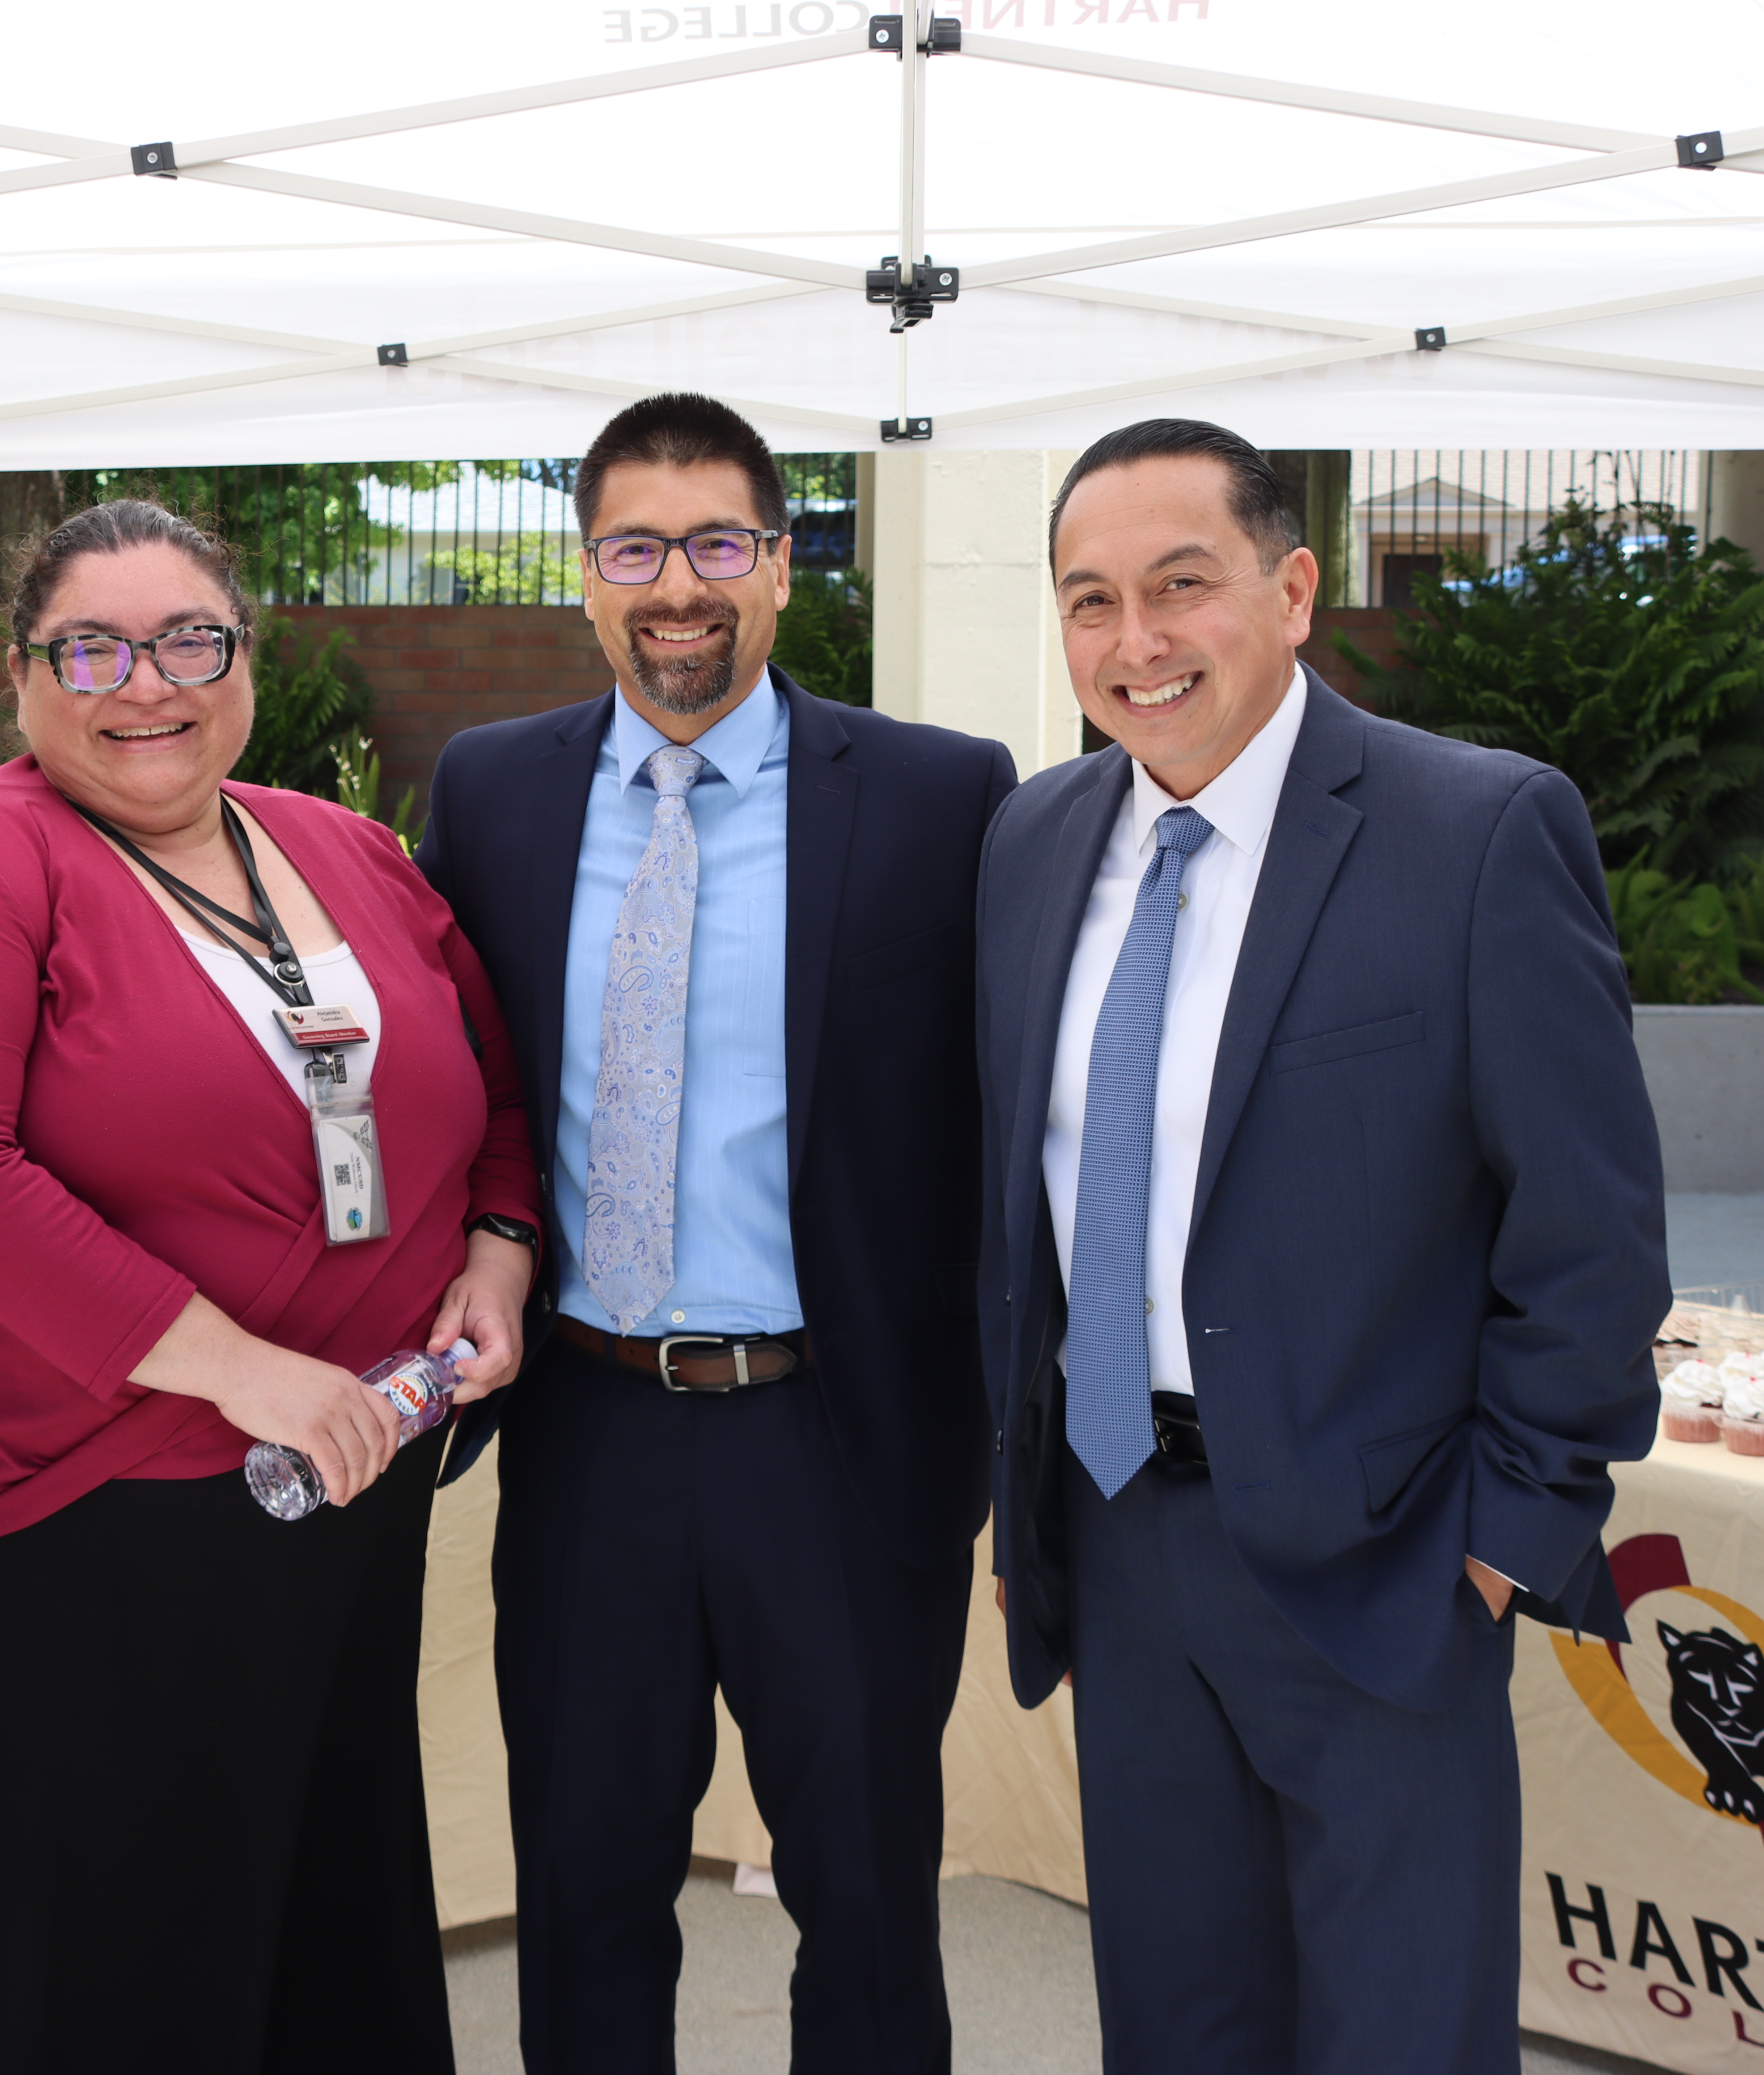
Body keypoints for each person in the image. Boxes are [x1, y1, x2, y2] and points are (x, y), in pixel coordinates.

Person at [0, 498, 539, 2073]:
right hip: (58, 1514)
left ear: (244, 659)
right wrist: (236, 1366)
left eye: (192, 639)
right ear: (21, 673)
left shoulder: (347, 851)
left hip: (330, 1493)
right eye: (95, 648)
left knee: (296, 1910)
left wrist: (500, 1249)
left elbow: (497, 1087)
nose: (148, 683)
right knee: (93, 1959)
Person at [975, 417, 1670, 2072]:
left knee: (1399, 2038)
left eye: (1181, 586)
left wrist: (1510, 1536)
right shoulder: (1031, 844)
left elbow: (1591, 1235)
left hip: (1390, 1568)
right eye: (1090, 602)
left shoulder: (1477, 832)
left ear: (1293, 591)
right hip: (1125, 1542)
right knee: (1181, 2026)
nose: (1135, 644)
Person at [419, 393, 1016, 2073]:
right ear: (585, 577)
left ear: (781, 565)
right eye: (634, 548)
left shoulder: (938, 796)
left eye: (717, 544)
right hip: (590, 1426)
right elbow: (452, 1085)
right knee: (590, 1896)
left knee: (872, 1903)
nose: (676, 587)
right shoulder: (493, 794)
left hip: (839, 1435)